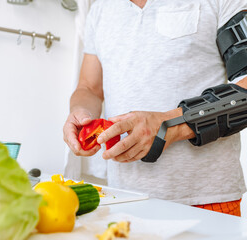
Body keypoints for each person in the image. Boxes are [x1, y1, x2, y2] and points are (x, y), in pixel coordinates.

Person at [63, 0, 247, 216]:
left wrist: (169, 125)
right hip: (123, 198)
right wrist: (80, 113)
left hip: (206, 199)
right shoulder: (100, 8)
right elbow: (90, 88)